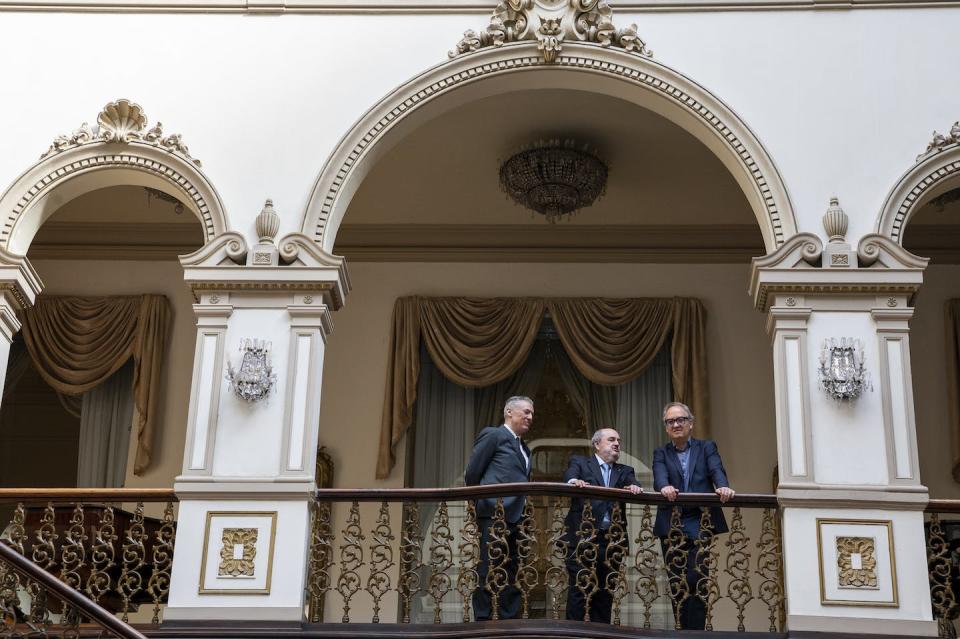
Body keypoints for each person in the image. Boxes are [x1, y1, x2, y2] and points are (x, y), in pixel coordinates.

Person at [652, 401, 734, 630]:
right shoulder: (661, 453)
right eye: (670, 421)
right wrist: (664, 487)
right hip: (672, 523)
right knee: (676, 581)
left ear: (691, 423)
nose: (676, 424)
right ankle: (681, 630)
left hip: (700, 520)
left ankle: (695, 633)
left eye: (681, 420)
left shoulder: (706, 447)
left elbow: (716, 469)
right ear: (666, 427)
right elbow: (659, 476)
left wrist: (723, 486)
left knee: (697, 579)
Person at [463, 395, 534, 621]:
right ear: (509, 412)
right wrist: (482, 503)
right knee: (489, 565)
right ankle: (482, 619)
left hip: (517, 517)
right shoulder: (494, 435)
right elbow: (472, 473)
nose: (530, 417)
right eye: (526, 412)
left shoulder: (524, 447)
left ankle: (509, 618)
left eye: (532, 413)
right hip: (495, 513)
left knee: (512, 568)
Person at [563, 428, 644, 623]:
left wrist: (634, 486)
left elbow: (633, 483)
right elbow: (570, 476)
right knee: (579, 591)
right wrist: (574, 481)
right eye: (611, 440)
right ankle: (574, 634)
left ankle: (601, 633)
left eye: (618, 440)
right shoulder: (581, 463)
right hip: (583, 538)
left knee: (606, 592)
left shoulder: (624, 470)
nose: (617, 443)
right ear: (597, 444)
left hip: (611, 542)